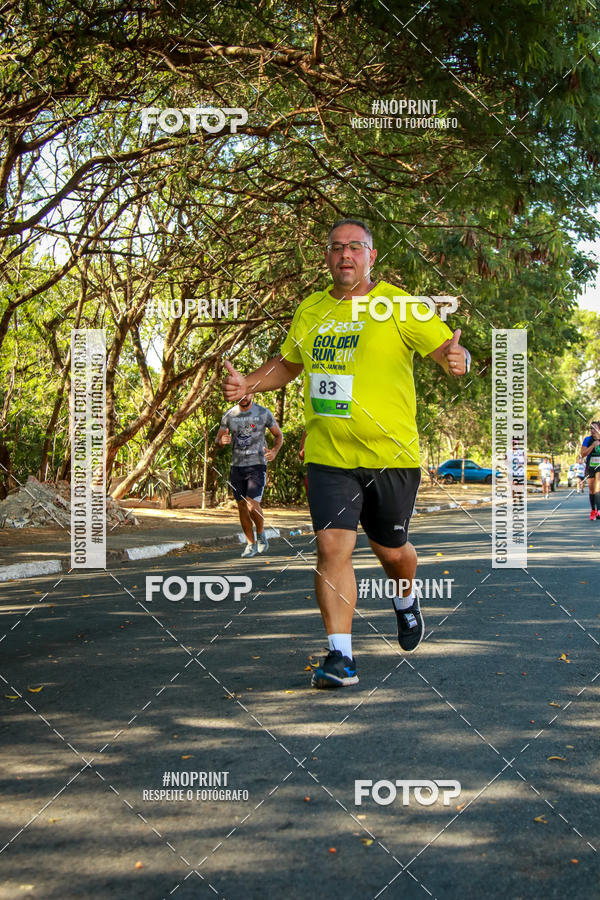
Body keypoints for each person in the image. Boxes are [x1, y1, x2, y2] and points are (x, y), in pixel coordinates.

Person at [222, 218, 470, 688]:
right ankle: (341, 657)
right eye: (337, 247)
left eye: (355, 247)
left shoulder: (399, 305)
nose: (345, 255)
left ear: (371, 256)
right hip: (329, 454)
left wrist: (459, 359)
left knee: (392, 551)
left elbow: (445, 349)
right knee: (332, 546)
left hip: (391, 456)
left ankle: (405, 597)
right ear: (327, 256)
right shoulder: (311, 309)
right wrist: (248, 384)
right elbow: (289, 364)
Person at [216, 393, 283, 556]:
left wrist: (274, 451)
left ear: (252, 393)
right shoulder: (229, 415)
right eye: (241, 395)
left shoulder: (263, 413)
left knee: (251, 504)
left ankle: (260, 534)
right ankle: (250, 544)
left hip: (257, 464)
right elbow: (218, 440)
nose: (244, 397)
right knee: (241, 506)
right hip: (237, 466)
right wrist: (221, 441)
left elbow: (278, 435)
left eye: (247, 393)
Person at [581, 421, 600, 520]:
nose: (592, 430)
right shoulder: (587, 440)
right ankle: (593, 510)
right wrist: (592, 446)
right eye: (591, 428)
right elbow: (583, 454)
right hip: (590, 466)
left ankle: (599, 510)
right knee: (592, 489)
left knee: (598, 487)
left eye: (595, 428)